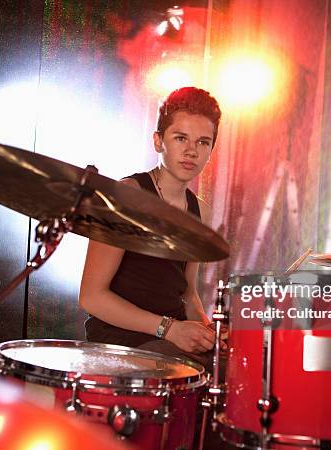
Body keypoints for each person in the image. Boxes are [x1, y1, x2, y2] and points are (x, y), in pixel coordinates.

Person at [79, 86, 223, 367]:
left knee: (236, 367)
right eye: (181, 138)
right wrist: (170, 329)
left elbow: (187, 293)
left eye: (203, 142)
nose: (191, 151)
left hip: (170, 338)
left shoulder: (201, 212)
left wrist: (208, 332)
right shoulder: (126, 196)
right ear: (158, 141)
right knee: (190, 370)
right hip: (121, 340)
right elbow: (91, 297)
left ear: (210, 151)